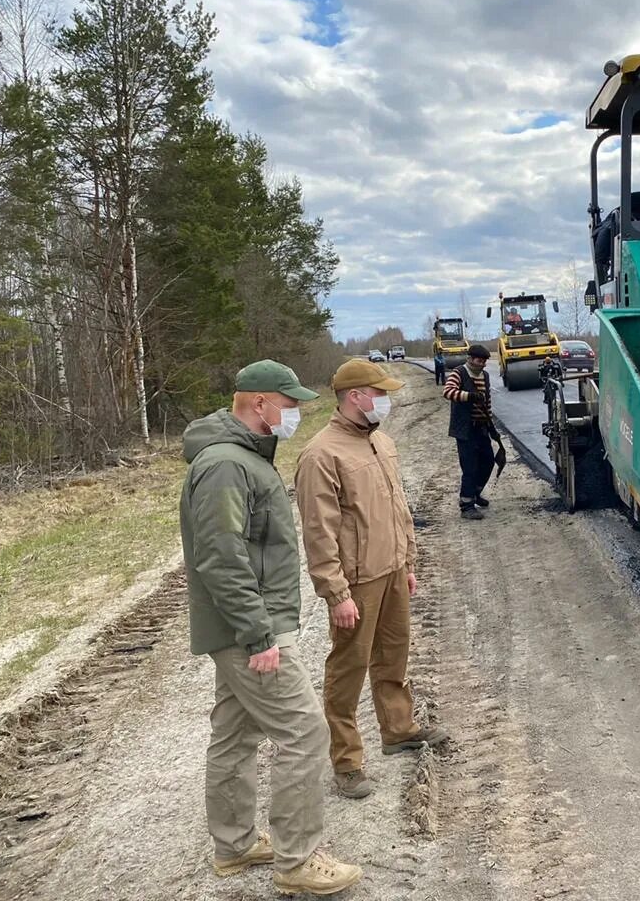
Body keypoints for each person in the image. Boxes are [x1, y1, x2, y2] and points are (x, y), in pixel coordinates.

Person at [179, 359, 361, 896]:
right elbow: (220, 556)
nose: (299, 412)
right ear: (260, 403)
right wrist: (259, 634)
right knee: (304, 732)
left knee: (234, 733)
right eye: (291, 403)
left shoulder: (245, 457)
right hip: (248, 631)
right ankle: (297, 860)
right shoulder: (225, 465)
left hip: (245, 625)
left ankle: (234, 846)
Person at [294, 357, 449, 800]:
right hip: (357, 582)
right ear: (356, 397)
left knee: (394, 656)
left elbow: (399, 509)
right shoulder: (321, 454)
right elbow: (318, 532)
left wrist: (408, 562)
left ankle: (398, 730)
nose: (386, 400)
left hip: (393, 571)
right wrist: (336, 593)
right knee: (348, 669)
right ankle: (346, 762)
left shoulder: (380, 442)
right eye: (379, 393)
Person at [443, 344, 495, 520]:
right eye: (479, 360)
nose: (482, 364)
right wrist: (469, 396)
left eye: (484, 361)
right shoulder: (459, 373)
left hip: (481, 427)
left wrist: (490, 425)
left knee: (488, 461)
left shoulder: (485, 375)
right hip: (465, 429)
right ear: (470, 359)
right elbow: (448, 392)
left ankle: (475, 492)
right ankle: (466, 505)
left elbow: (487, 401)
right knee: (470, 466)